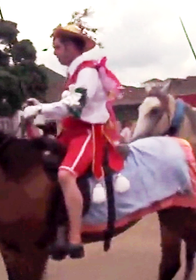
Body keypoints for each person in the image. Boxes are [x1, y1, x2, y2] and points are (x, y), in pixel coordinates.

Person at [23, 16, 126, 259]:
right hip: (71, 133)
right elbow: (65, 105)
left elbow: (75, 106)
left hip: (89, 133)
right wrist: (41, 107)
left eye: (58, 47)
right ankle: (57, 227)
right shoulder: (76, 73)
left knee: (66, 174)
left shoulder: (87, 72)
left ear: (70, 47)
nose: (56, 53)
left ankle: (75, 238)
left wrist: (41, 109)